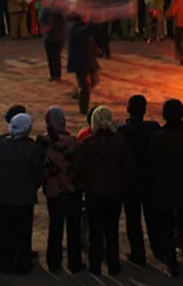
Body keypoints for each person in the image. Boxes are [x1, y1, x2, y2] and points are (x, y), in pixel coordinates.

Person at [74, 106, 134, 276]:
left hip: (94, 193)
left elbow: (78, 169)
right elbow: (129, 166)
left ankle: (95, 266)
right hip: (114, 193)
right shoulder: (119, 141)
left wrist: (85, 183)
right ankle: (114, 265)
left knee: (95, 231)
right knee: (111, 231)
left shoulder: (87, 143)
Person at [149, 98, 183, 276]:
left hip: (165, 187)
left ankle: (172, 262)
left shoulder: (157, 137)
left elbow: (152, 163)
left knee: (167, 227)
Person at [0, 113, 43, 274]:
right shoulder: (32, 148)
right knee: (23, 232)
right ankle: (22, 263)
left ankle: (4, 262)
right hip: (23, 198)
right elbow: (37, 175)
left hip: (1, 196)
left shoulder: (0, 145)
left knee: (4, 230)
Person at [39, 107, 85, 273]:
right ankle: (75, 263)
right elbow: (79, 166)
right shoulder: (73, 141)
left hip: (54, 191)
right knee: (74, 229)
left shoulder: (43, 142)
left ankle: (54, 262)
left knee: (55, 227)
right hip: (72, 191)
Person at [118, 95, 161, 266]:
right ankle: (159, 249)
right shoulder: (153, 128)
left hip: (130, 180)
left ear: (129, 110)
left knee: (133, 218)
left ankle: (138, 254)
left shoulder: (123, 130)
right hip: (149, 179)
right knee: (152, 217)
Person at [67, 17, 100, 115]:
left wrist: (95, 49)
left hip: (88, 59)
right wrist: (98, 19)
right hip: (80, 62)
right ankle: (83, 109)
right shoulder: (74, 28)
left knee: (94, 80)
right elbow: (87, 31)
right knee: (85, 87)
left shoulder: (80, 27)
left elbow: (89, 37)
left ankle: (77, 93)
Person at [42, 6, 67, 81]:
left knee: (54, 56)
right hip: (55, 36)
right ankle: (54, 75)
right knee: (53, 57)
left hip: (56, 36)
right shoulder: (48, 9)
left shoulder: (60, 10)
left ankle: (55, 75)